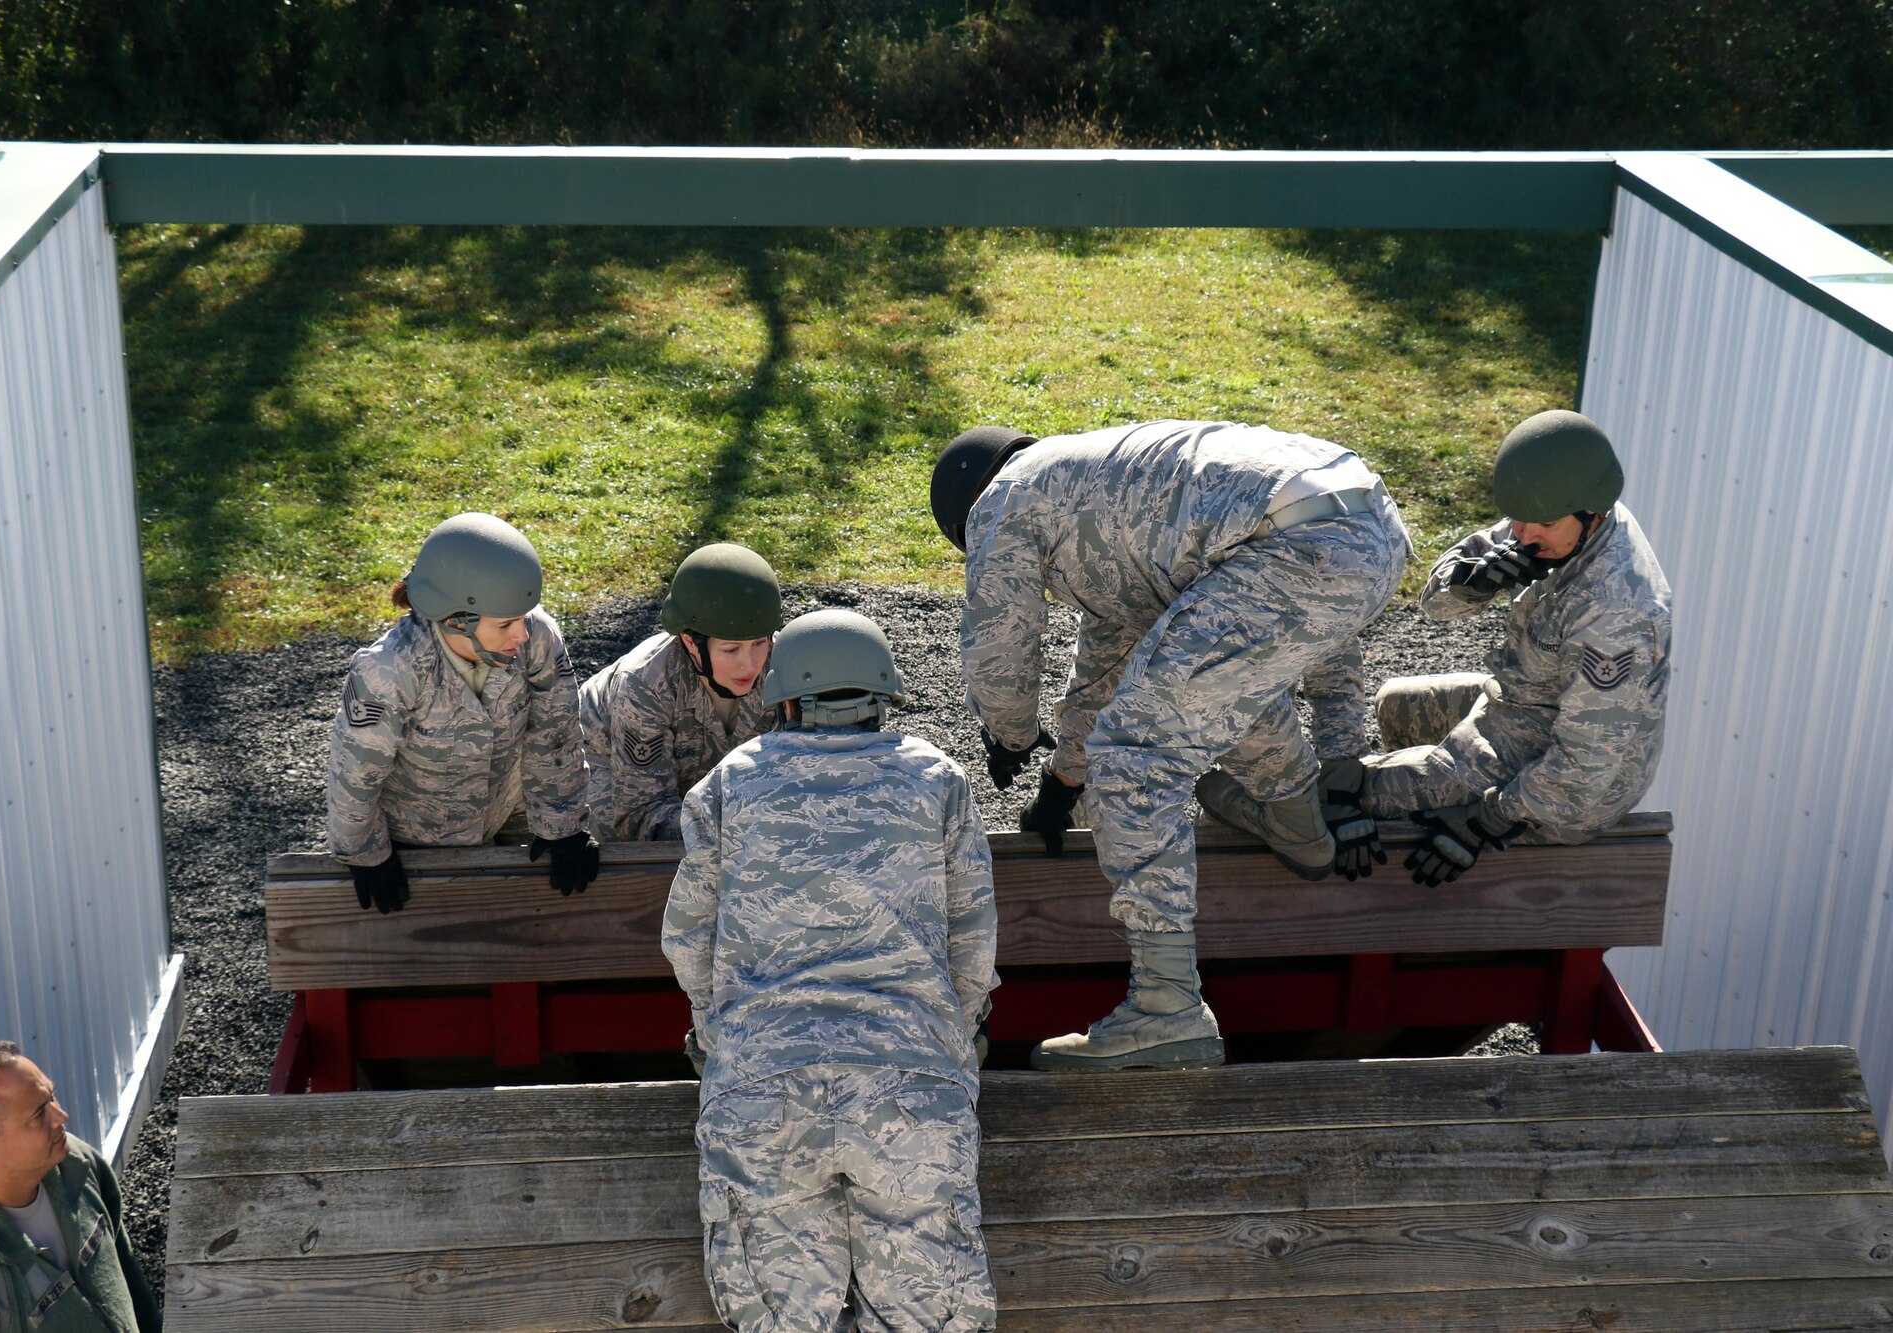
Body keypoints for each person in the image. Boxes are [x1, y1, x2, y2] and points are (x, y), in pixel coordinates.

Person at [932, 419, 1409, 1071]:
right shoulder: (1097, 495)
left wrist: (1008, 731)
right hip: (1369, 524)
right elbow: (1108, 668)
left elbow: (999, 646)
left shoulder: (1001, 501)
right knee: (1211, 674)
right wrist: (1061, 786)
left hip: (1296, 544)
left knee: (1135, 755)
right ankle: (1299, 824)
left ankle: (1167, 1005)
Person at [662, 608, 998, 1333]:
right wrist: (953, 1044)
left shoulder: (728, 786)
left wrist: (720, 1040)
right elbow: (972, 944)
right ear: (884, 697)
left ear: (785, 700)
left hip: (763, 1093)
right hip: (910, 1089)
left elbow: (689, 938)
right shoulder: (939, 781)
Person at [1322, 409, 1673, 886]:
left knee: (1342, 795)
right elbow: (1438, 608)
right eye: (1516, 520)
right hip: (1522, 707)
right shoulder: (1561, 516)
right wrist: (1471, 582)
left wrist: (1487, 820)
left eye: (1541, 525)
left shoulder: (1616, 612)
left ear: (1593, 514)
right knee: (1399, 705)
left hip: (1558, 789)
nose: (1523, 536)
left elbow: (1589, 764)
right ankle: (1425, 799)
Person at [327, 511, 598, 912]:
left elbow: (555, 734)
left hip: (508, 814)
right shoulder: (391, 670)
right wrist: (367, 854)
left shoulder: (536, 638)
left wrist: (563, 827)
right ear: (457, 621)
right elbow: (356, 773)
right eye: (506, 624)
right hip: (415, 840)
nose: (521, 634)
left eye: (522, 619)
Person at [0, 1042, 161, 1332]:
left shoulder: (76, 1163)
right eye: (38, 1114)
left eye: (52, 1098)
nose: (61, 1117)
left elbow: (131, 1283)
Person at [577, 543, 784, 842]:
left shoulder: (784, 665)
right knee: (614, 844)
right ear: (690, 642)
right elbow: (640, 813)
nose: (749, 664)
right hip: (605, 758)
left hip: (706, 783)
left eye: (759, 644)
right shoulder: (644, 683)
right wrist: (728, 827)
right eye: (731, 649)